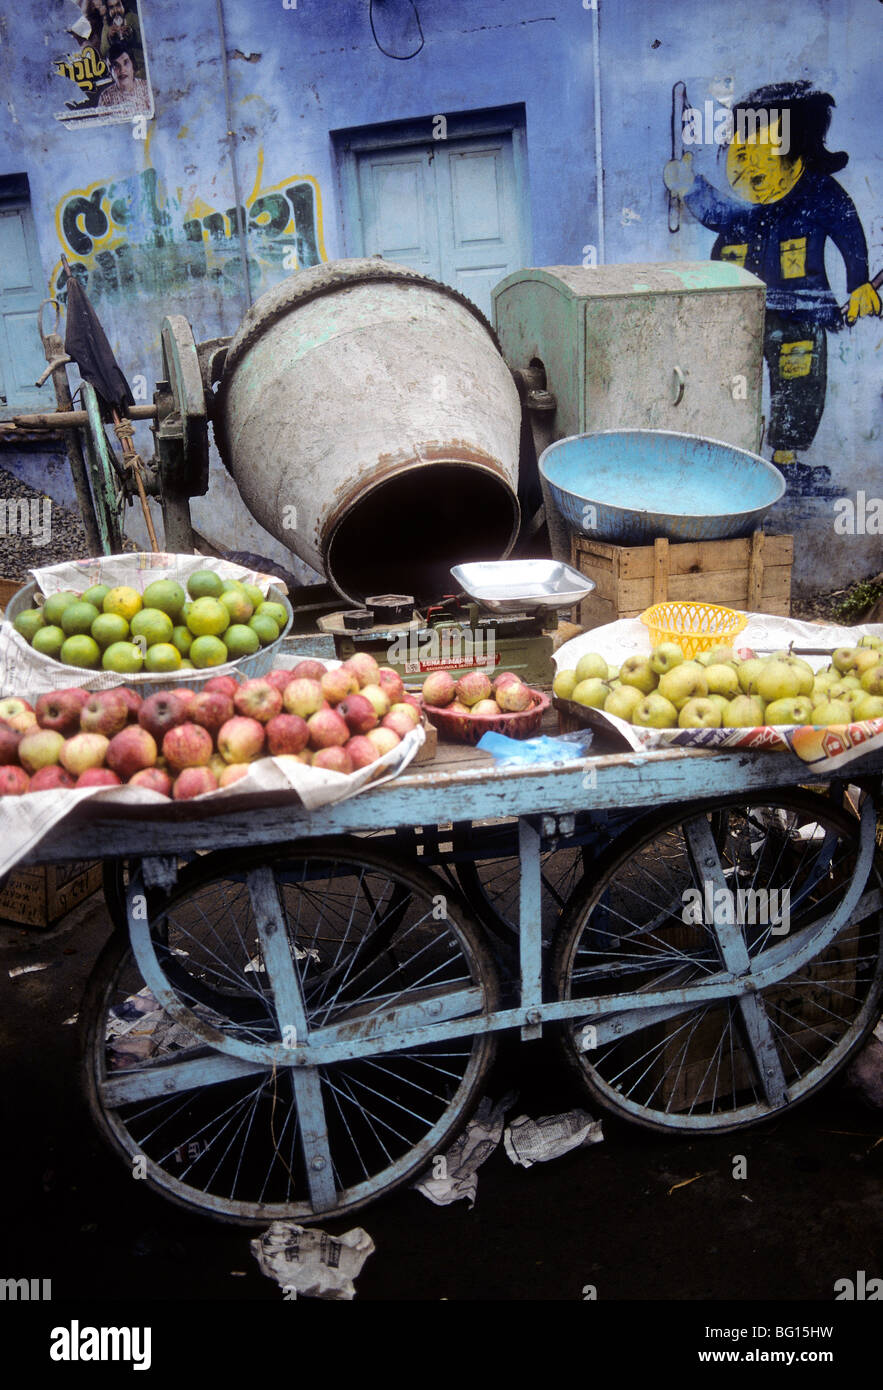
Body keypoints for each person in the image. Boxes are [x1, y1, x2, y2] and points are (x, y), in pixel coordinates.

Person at [664, 82, 880, 488]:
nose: (749, 169)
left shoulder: (817, 193)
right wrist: (689, 186)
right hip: (738, 311)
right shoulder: (742, 208)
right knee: (731, 380)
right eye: (741, 155)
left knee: (798, 385)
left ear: (799, 153)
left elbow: (848, 226)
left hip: (801, 309)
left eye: (765, 154)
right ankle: (732, 456)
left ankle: (784, 460)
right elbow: (714, 211)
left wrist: (859, 284)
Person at [97, 39, 151, 114]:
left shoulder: (147, 88)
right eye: (116, 65)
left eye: (126, 63)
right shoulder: (105, 97)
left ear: (133, 65)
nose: (122, 70)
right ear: (110, 71)